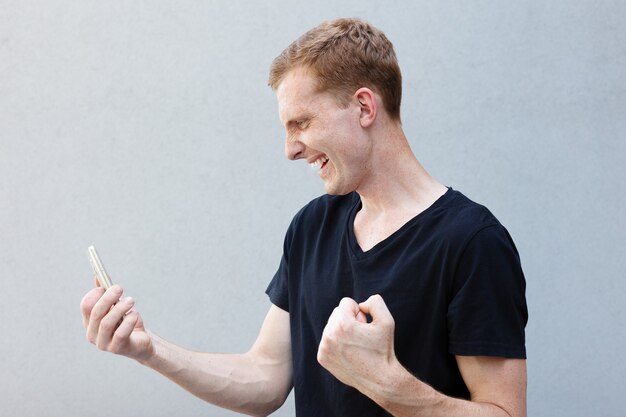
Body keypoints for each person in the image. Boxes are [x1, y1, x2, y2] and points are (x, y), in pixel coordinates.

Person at [81, 18, 528, 417]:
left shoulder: (473, 242)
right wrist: (148, 349)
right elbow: (266, 379)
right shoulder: (312, 226)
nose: (291, 149)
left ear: (364, 108)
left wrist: (384, 382)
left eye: (301, 124)